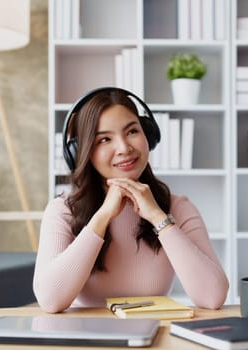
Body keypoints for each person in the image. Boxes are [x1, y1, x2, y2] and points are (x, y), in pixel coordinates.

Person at [33, 88, 229, 313]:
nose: (124, 148)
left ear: (148, 136)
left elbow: (213, 297)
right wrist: (103, 217)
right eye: (105, 139)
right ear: (83, 152)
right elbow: (50, 300)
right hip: (86, 340)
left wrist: (158, 217)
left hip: (153, 339)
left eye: (132, 131)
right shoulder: (63, 210)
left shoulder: (178, 208)